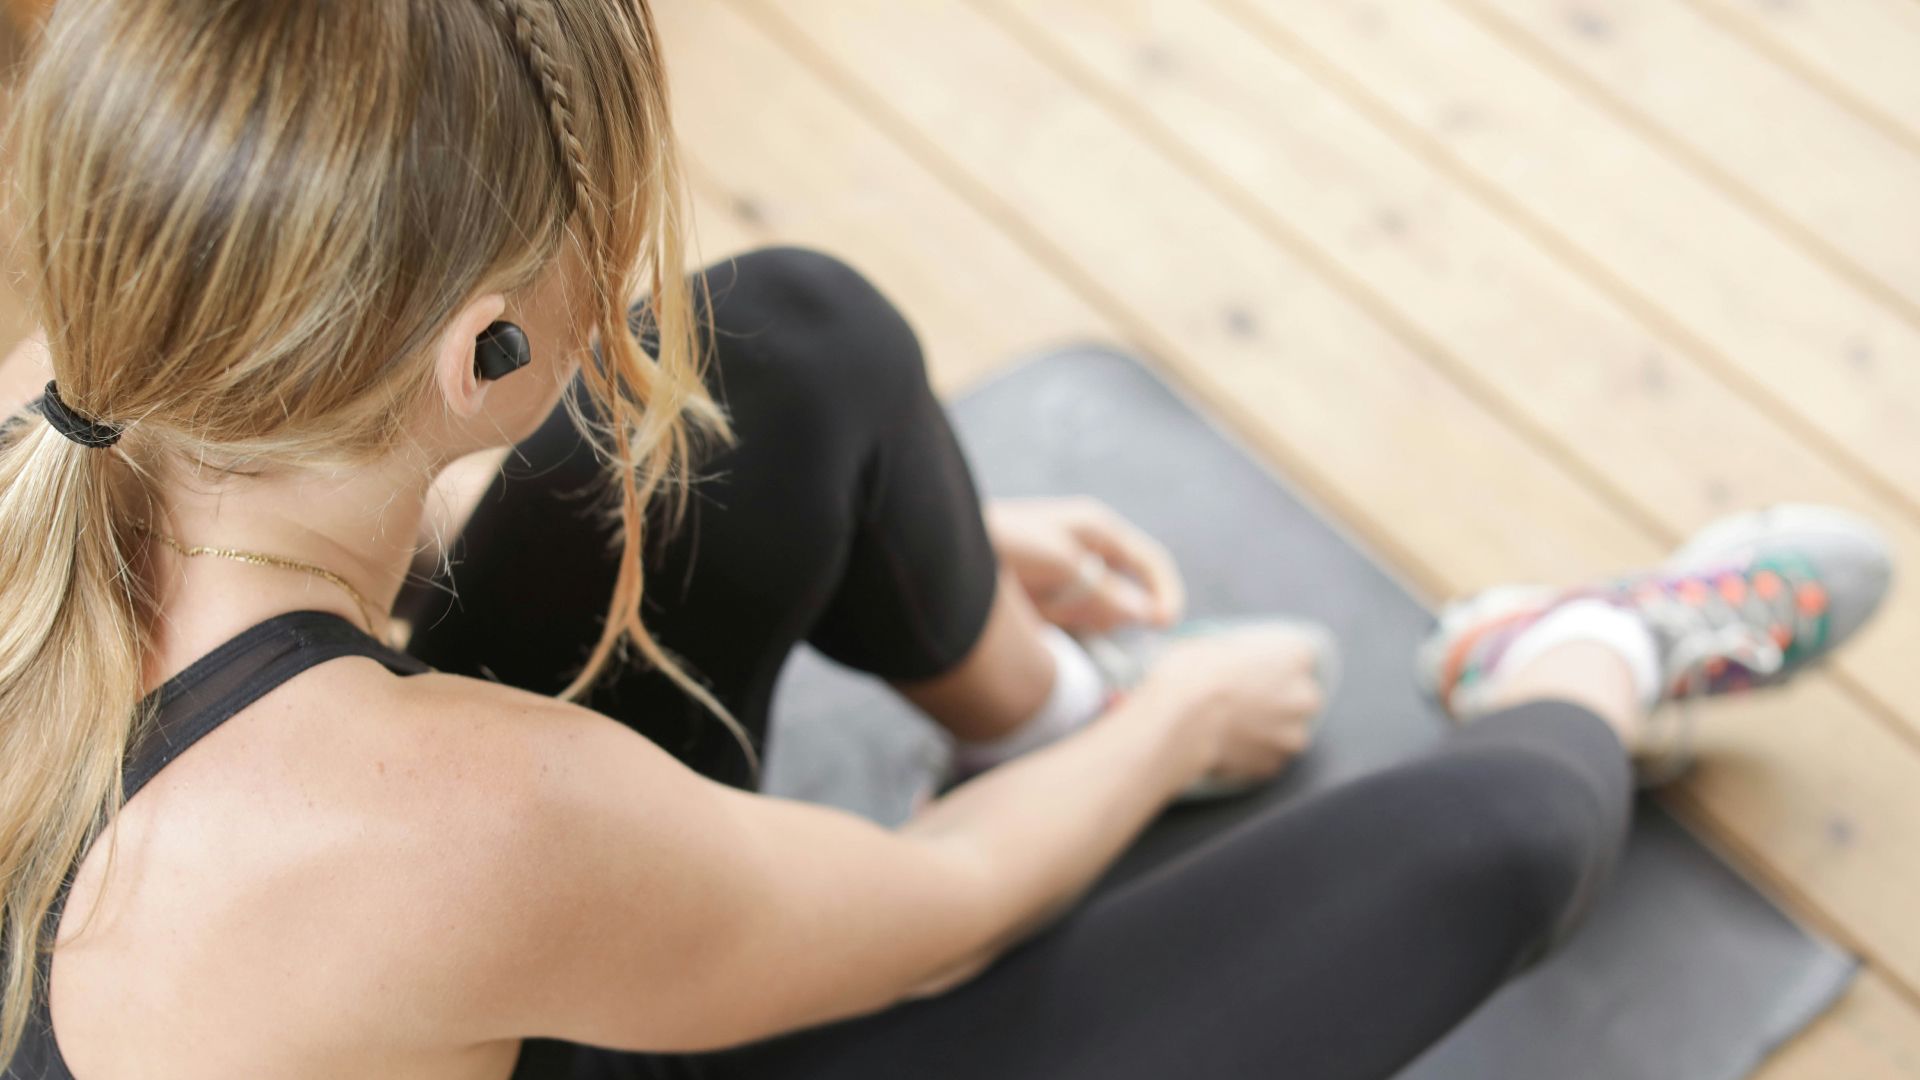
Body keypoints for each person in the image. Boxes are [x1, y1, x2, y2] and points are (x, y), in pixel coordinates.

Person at [0, 2, 1891, 1078]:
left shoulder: (65, 395)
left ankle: (1030, 701)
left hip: (354, 980)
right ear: (482, 350)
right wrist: (1178, 723)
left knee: (783, 346)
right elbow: (927, 931)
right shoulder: (450, 823)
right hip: (444, 937)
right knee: (1492, 837)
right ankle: (1587, 654)